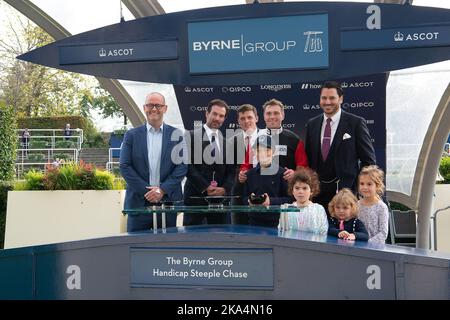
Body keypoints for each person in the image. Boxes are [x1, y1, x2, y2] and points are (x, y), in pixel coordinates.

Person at [304, 81, 376, 214]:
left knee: (343, 233)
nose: (327, 102)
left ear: (341, 99)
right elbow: (308, 158)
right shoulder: (312, 124)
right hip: (316, 194)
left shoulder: (356, 123)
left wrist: (356, 186)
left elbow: (369, 162)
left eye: (332, 98)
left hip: (345, 195)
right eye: (324, 98)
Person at [120, 92, 188, 232]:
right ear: (144, 107)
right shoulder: (131, 135)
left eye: (158, 105)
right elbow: (125, 166)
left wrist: (162, 190)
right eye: (150, 105)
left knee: (167, 248)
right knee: (136, 248)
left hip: (167, 202)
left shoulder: (177, 135)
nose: (154, 109)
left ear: (165, 108)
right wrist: (148, 192)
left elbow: (182, 166)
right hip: (138, 203)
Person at [183, 99, 235, 226]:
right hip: (195, 199)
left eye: (221, 116)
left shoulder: (227, 143)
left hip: (220, 201)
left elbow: (232, 171)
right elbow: (187, 166)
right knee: (192, 240)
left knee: (221, 240)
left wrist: (224, 189)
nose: (217, 118)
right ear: (207, 114)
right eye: (215, 114)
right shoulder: (189, 136)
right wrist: (205, 187)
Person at [242, 135, 292, 228]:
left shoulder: (283, 174)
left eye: (266, 150)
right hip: (254, 222)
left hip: (278, 223)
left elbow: (290, 200)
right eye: (258, 150)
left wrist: (271, 201)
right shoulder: (249, 174)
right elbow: (244, 198)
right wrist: (250, 201)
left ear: (273, 151)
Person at [228, 104, 260, 225]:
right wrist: (238, 175)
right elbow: (228, 170)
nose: (246, 121)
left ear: (256, 118)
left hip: (262, 191)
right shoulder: (231, 142)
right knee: (239, 230)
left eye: (249, 117)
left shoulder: (267, 137)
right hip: (238, 193)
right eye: (242, 118)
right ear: (238, 121)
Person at [280, 168, 328, 235]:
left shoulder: (318, 209)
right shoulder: (286, 209)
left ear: (312, 191)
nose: (300, 191)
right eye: (297, 188)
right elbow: (281, 232)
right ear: (292, 190)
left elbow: (323, 232)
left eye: (304, 188)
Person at [358, 165, 389, 244]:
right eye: (362, 183)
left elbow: (383, 233)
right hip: (358, 247)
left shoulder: (382, 207)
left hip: (375, 250)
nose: (364, 187)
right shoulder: (356, 205)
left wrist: (367, 243)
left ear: (377, 186)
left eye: (369, 184)